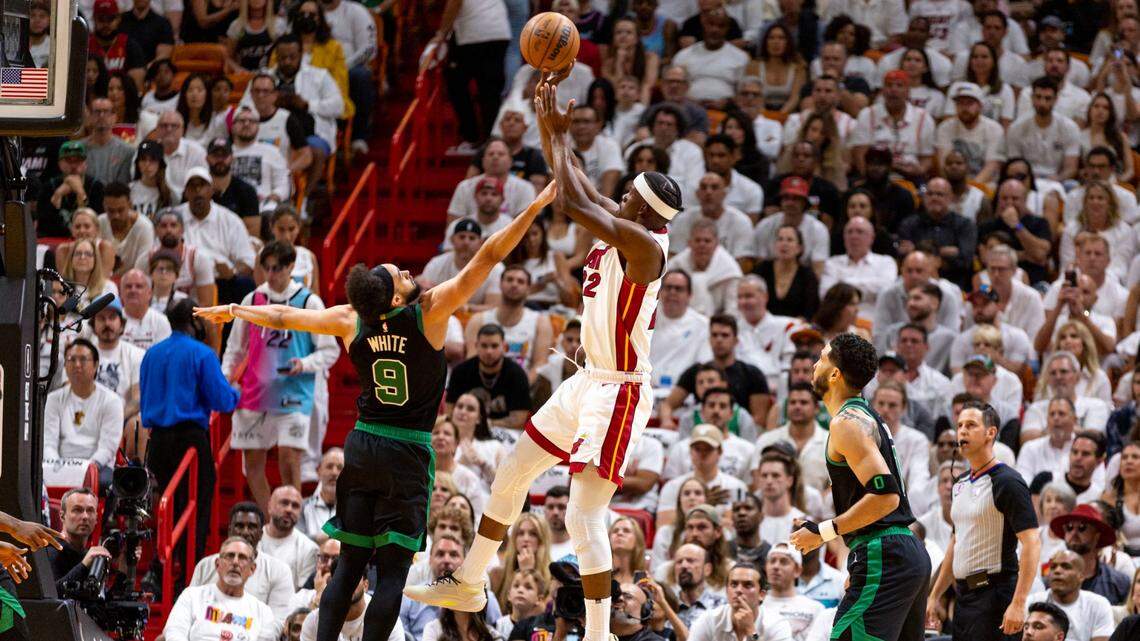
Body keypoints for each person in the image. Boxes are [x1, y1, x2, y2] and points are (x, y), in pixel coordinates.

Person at [195, 177, 557, 641]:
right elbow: (487, 256)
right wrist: (535, 207)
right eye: (400, 274)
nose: (408, 272)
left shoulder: (352, 319)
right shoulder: (429, 310)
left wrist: (237, 311)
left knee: (348, 564)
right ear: (395, 297)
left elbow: (286, 316)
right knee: (391, 574)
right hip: (407, 452)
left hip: (364, 444)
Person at [407, 75, 679, 641]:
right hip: (587, 382)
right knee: (512, 472)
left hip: (620, 390)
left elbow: (575, 200)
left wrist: (555, 138)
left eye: (627, 194)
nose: (619, 195)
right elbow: (577, 186)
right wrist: (550, 130)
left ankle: (600, 634)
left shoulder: (645, 246)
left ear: (646, 212)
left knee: (583, 516)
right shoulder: (631, 224)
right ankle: (470, 579)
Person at [789, 333, 931, 641]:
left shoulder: (847, 423)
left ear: (835, 373)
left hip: (885, 550)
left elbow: (886, 496)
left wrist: (823, 532)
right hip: (897, 550)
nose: (814, 365)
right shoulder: (863, 416)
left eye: (821, 358)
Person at [221, 242, 339, 508]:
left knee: (288, 458)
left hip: (294, 393)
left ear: (291, 267)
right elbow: (235, 349)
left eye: (277, 268)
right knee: (252, 463)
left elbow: (330, 351)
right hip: (255, 392)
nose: (271, 274)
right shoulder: (252, 300)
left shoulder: (309, 301)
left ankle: (292, 517)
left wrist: (305, 364)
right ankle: (269, 520)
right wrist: (223, 379)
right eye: (267, 268)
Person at [924, 401, 1040, 640]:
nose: (962, 431)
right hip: (964, 597)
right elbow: (956, 544)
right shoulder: (960, 483)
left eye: (971, 425)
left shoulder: (1008, 482)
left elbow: (1032, 543)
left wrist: (1018, 603)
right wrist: (934, 596)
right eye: (960, 425)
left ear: (991, 433)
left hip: (996, 594)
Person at [142, 299, 238, 562]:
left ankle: (159, 567)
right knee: (194, 509)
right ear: (195, 321)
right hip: (190, 442)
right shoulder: (202, 354)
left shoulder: (151, 354)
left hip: (157, 442)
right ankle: (187, 571)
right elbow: (222, 400)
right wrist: (237, 392)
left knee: (168, 508)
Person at [190, 502, 295, 621]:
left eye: (252, 527)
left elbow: (278, 622)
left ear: (260, 534)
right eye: (239, 526)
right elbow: (189, 610)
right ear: (229, 531)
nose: (245, 532)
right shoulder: (205, 566)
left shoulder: (279, 570)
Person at [42, 339, 124, 488]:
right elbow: (48, 442)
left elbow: (107, 447)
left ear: (96, 365)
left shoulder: (112, 401)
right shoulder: (54, 399)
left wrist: (86, 470)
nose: (77, 365)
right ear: (65, 366)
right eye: (71, 359)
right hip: (60, 464)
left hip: (97, 466)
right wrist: (56, 467)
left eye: (83, 359)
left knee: (107, 482)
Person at [162, 537, 279, 641]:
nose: (235, 562)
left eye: (242, 557)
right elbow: (175, 633)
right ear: (217, 564)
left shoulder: (263, 612)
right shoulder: (192, 596)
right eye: (230, 556)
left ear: (252, 569)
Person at [687, 562, 794, 641]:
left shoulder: (777, 624)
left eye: (748, 585)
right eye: (734, 584)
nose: (738, 590)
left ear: (761, 594)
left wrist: (752, 632)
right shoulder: (709, 620)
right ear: (726, 591)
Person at [1027, 549, 1115, 641]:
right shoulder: (1032, 601)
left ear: (1081, 576)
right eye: (1053, 567)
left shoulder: (1098, 605)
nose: (1057, 571)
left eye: (1066, 567)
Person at [1051, 504, 1132, 604]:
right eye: (1069, 527)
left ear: (1096, 536)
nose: (1074, 533)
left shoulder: (1119, 583)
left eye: (1082, 527)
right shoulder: (1052, 579)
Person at [761, 543, 824, 641]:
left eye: (784, 562)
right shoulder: (757, 605)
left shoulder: (816, 608)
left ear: (797, 570)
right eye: (772, 561)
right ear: (765, 567)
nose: (776, 566)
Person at [99, 182, 155, 278]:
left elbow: (142, 267)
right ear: (104, 206)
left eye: (120, 210)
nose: (116, 215)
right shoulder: (99, 222)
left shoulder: (145, 227)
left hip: (133, 281)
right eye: (111, 211)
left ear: (130, 205)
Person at [298, 448, 343, 542]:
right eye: (329, 466)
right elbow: (296, 540)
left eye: (340, 468)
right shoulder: (301, 506)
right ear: (319, 472)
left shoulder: (355, 511)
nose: (334, 473)